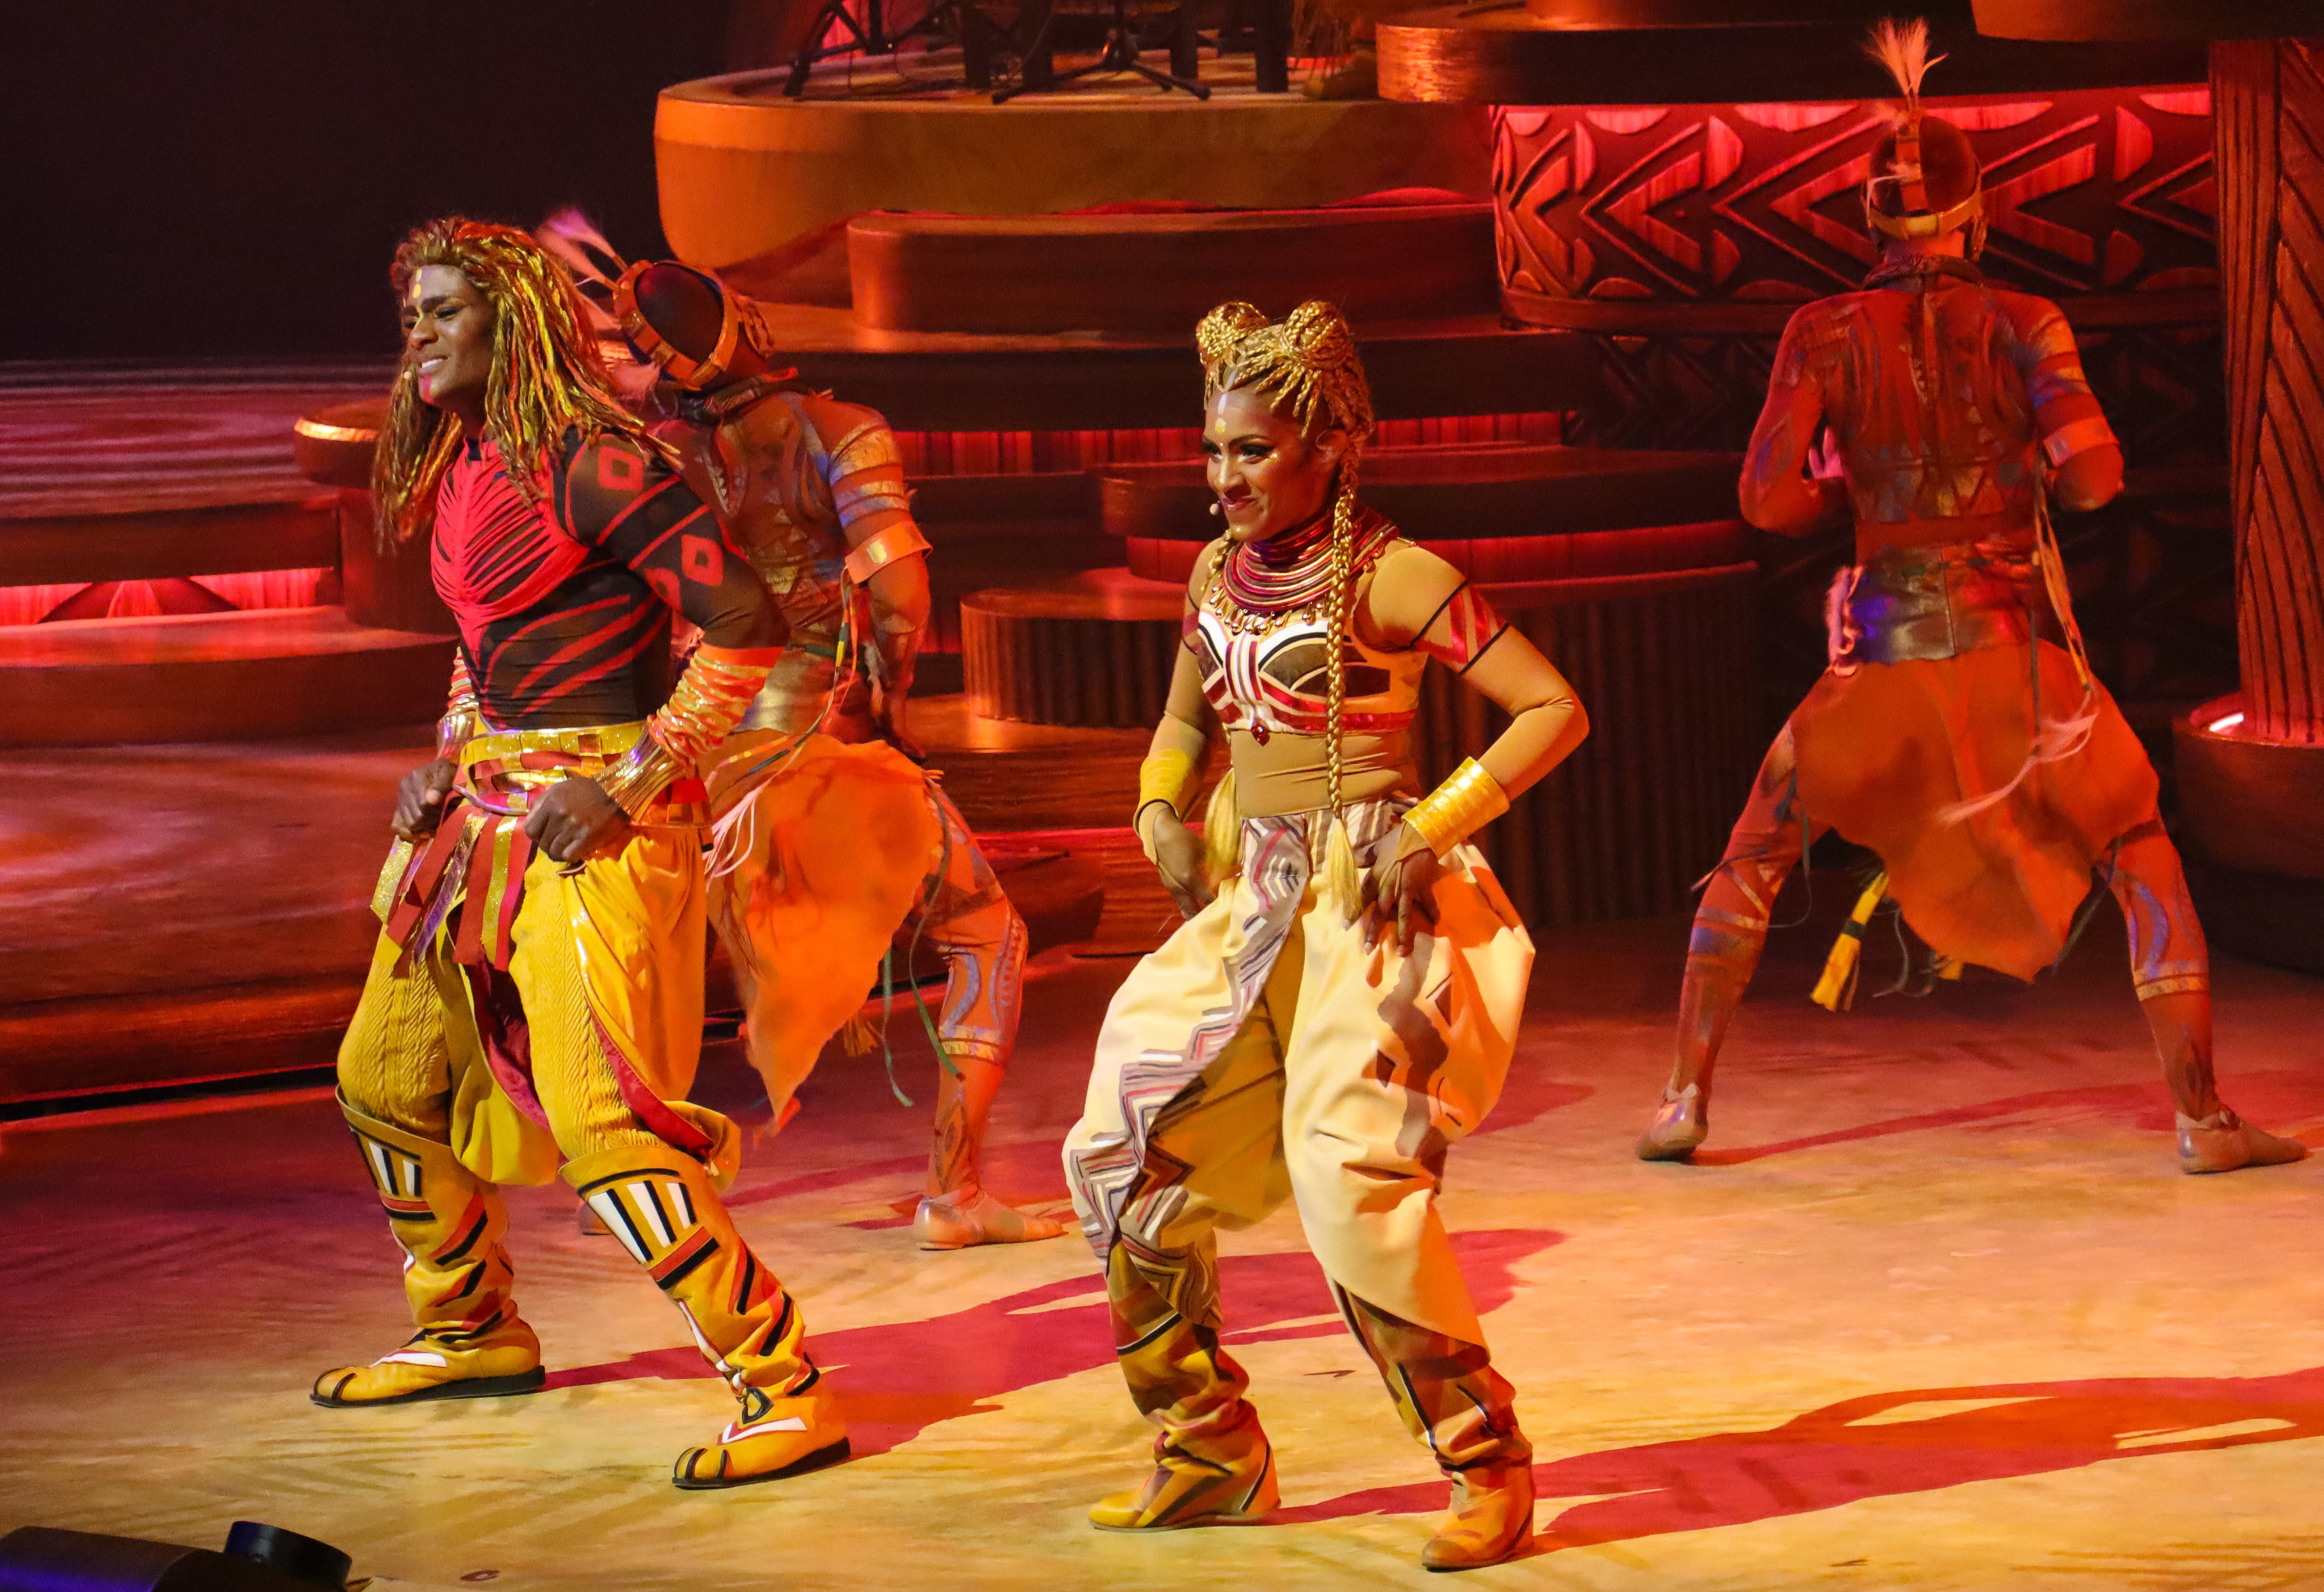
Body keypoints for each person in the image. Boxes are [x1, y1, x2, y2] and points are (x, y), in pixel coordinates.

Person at [1632, 21, 2308, 1178]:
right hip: (2012, 664)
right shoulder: (2024, 324)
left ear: (1866, 224)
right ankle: (2200, 1118)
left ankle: (1681, 1098)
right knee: (2140, 848)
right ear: (1977, 216)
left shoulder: (1820, 334)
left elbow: (1765, 501)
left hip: (1880, 664)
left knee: (1755, 851)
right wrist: (2024, 462)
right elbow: (2095, 480)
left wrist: (1855, 486)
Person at [312, 217, 851, 1490]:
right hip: (480, 821)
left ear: (512, 325)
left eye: (445, 311)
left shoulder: (597, 463)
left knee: (603, 1122)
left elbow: (746, 620)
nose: (418, 333)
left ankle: (785, 1385)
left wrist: (629, 781)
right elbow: (484, 649)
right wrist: (448, 752)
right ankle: (470, 1329)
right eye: (412, 313)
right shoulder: (467, 466)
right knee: (382, 1079)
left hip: (592, 829)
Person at [1061, 301, 1588, 1571]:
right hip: (1251, 907)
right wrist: (1157, 808)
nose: (1223, 477)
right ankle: (1207, 1449)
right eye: (1212, 451)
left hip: (1366, 905)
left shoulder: (1391, 575)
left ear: (1331, 447)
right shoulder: (1212, 573)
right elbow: (1185, 722)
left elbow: (1550, 709)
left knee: (1346, 1177)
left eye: (1250, 450)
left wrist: (1437, 819)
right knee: (1121, 1154)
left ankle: (1484, 1460)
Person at [543, 231, 1062, 1249]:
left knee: (653, 959)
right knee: (986, 934)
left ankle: (621, 1180)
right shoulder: (841, 432)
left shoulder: (650, 454)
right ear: (742, 327)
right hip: (807, 746)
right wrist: (890, 695)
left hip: (686, 752)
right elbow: (900, 595)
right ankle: (955, 1192)